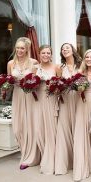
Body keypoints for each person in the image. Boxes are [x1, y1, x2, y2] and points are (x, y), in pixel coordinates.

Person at [6, 37, 40, 170]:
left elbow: (37, 82)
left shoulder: (34, 63)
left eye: (22, 48)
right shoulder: (10, 63)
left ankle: (31, 156)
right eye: (18, 47)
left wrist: (29, 84)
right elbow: (9, 81)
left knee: (30, 125)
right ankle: (24, 152)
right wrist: (5, 86)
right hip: (18, 96)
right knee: (18, 127)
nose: (19, 50)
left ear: (27, 49)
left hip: (30, 95)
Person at [73, 49, 91, 181]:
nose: (89, 59)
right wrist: (79, 90)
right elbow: (74, 88)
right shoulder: (80, 73)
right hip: (82, 103)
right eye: (87, 57)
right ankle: (84, 162)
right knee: (82, 131)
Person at [55, 43, 82, 175]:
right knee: (64, 129)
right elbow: (57, 83)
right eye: (63, 49)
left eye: (67, 48)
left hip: (79, 100)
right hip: (65, 100)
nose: (64, 50)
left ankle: (80, 160)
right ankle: (66, 161)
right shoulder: (60, 68)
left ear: (73, 51)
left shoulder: (81, 65)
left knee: (79, 129)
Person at [34, 45, 58, 174]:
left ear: (51, 54)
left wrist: (55, 86)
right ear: (39, 53)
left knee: (51, 128)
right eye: (43, 52)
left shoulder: (56, 67)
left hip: (51, 98)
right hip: (38, 99)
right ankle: (44, 154)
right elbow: (30, 82)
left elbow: (61, 84)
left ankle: (53, 158)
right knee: (39, 129)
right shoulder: (35, 68)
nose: (46, 55)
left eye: (48, 53)